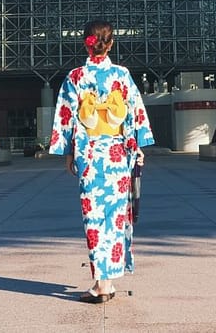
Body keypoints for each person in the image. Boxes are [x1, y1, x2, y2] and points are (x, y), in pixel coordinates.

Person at [49, 20, 155, 304]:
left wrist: (68, 154)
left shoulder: (75, 77)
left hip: (91, 154)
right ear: (110, 44)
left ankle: (102, 284)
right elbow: (134, 112)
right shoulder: (122, 74)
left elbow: (66, 117)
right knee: (115, 217)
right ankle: (106, 280)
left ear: (86, 42)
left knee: (94, 217)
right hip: (118, 155)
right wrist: (138, 147)